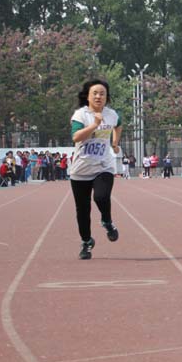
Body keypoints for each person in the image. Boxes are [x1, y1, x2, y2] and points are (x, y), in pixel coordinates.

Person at [69, 79, 122, 260]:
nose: (99, 96)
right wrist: (94, 125)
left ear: (107, 97)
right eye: (95, 93)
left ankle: (107, 221)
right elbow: (76, 137)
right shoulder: (80, 115)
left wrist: (114, 142)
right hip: (81, 169)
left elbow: (118, 125)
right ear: (88, 96)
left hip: (103, 165)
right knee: (83, 210)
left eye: (102, 93)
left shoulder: (111, 114)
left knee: (101, 197)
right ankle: (86, 242)